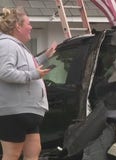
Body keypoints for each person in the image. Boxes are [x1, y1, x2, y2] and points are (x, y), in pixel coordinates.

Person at [0, 6, 57, 160]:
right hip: (13, 112)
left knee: (33, 152)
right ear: (18, 26)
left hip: (28, 112)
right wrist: (33, 75)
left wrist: (45, 56)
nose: (31, 27)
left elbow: (27, 68)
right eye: (28, 23)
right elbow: (4, 72)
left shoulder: (19, 48)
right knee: (12, 154)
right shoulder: (6, 44)